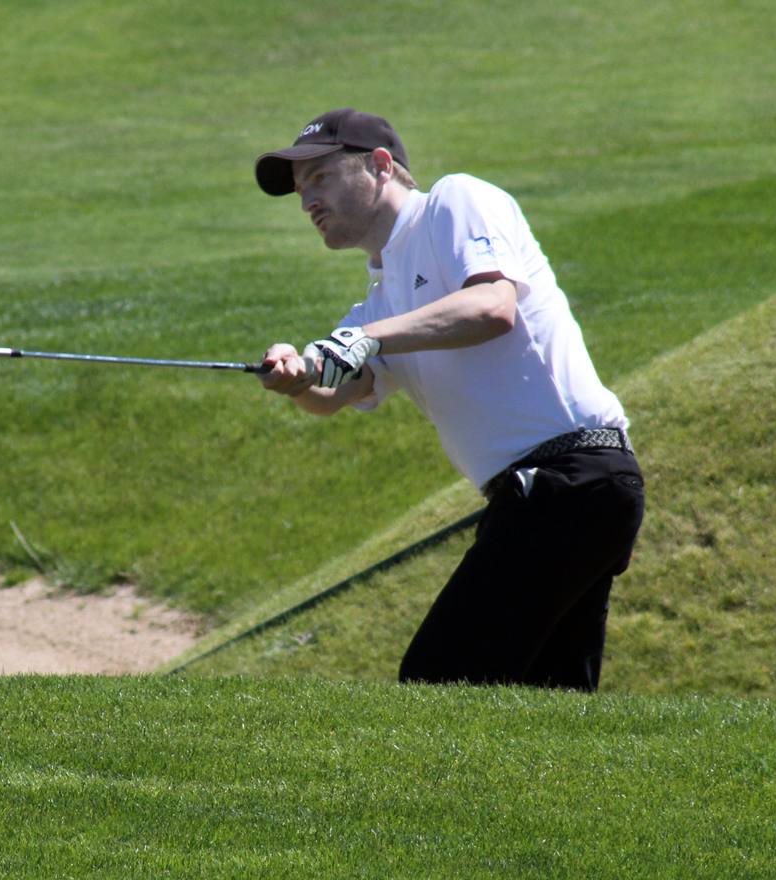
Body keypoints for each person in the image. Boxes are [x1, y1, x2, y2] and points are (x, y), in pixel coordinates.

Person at [253, 108, 645, 691]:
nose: (307, 200)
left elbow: (491, 308)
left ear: (381, 166)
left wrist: (359, 340)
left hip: (570, 478)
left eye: (321, 178)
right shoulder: (380, 301)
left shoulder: (453, 203)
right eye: (301, 190)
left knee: (440, 680)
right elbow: (337, 394)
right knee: (548, 706)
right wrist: (297, 375)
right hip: (553, 494)